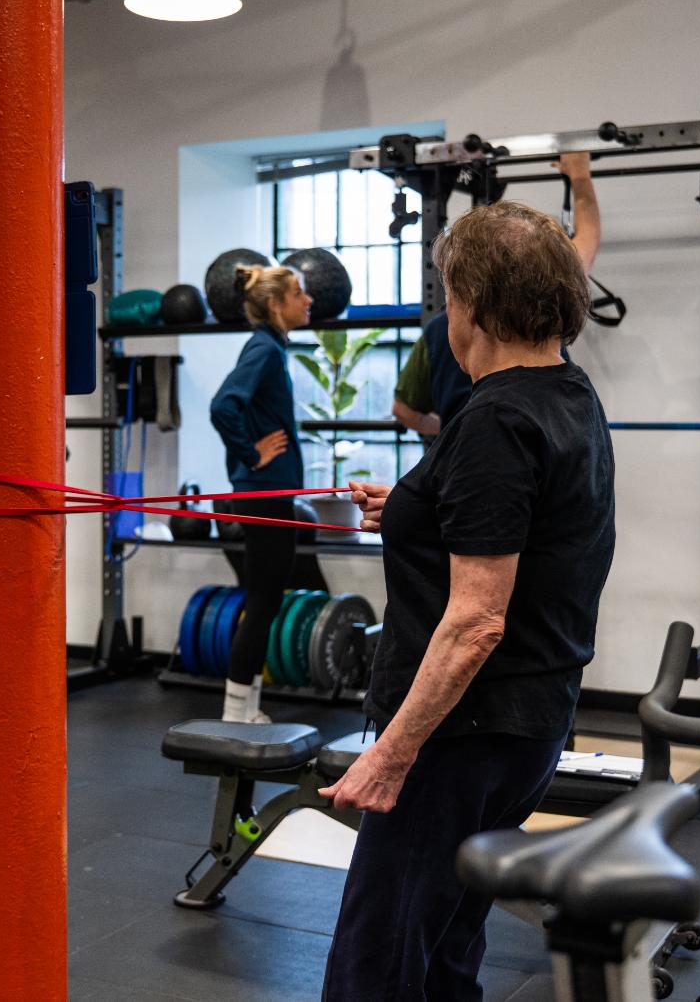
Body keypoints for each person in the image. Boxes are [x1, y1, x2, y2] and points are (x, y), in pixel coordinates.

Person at [319, 200, 616, 1000]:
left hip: (462, 733)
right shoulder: (568, 395)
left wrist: (391, 751)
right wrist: (415, 504)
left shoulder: (495, 417)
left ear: (474, 306)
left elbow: (478, 618)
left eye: (450, 295)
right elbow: (519, 521)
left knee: (376, 961)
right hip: (530, 719)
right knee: (447, 939)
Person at [391, 151, 602, 437]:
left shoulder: (492, 417)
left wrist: (452, 434)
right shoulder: (576, 387)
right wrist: (579, 174)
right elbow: (587, 239)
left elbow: (404, 410)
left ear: (468, 299)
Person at [208, 264, 329, 723]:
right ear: (276, 304)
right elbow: (224, 405)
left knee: (265, 598)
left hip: (266, 492)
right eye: (300, 292)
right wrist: (250, 453)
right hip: (262, 492)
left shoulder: (271, 348)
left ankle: (245, 708)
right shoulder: (263, 347)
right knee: (262, 601)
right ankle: (237, 711)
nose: (309, 299)